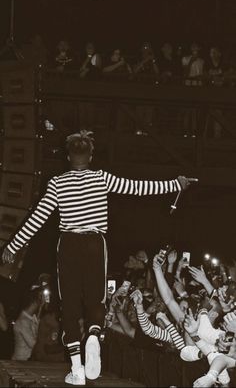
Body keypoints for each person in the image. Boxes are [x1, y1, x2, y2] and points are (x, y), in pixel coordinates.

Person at [2, 130, 192, 386]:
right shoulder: (102, 178)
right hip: (94, 242)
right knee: (96, 297)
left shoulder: (57, 183)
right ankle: (93, 333)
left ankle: (77, 369)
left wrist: (13, 246)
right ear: (90, 156)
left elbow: (37, 219)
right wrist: (175, 184)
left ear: (68, 157)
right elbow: (139, 188)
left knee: (69, 304)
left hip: (68, 243)